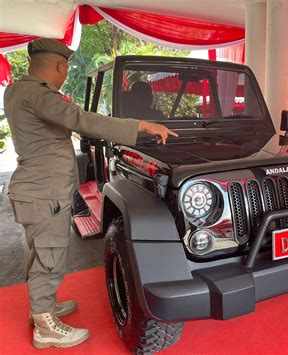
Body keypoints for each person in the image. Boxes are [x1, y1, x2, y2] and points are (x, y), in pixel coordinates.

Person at [4, 38, 178, 349]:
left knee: (45, 253)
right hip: (43, 192)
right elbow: (82, 120)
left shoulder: (18, 90)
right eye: (65, 68)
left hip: (38, 190)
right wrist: (140, 125)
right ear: (60, 66)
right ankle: (45, 326)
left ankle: (42, 307)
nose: (64, 73)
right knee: (50, 256)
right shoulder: (39, 95)